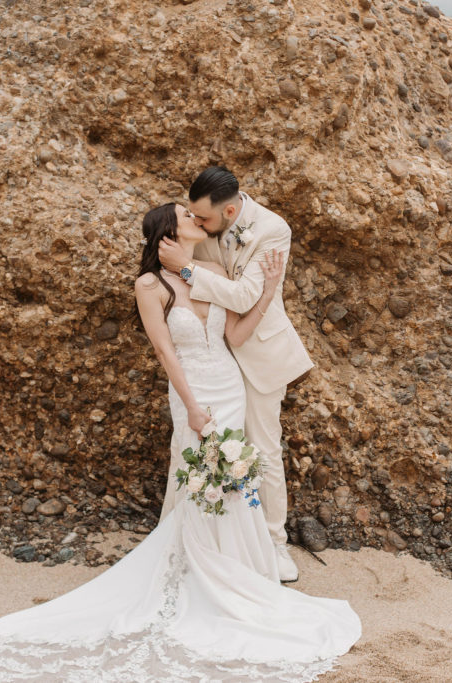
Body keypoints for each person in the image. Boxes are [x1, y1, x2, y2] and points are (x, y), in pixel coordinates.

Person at [0, 203, 360, 682]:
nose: (195, 216)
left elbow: (234, 334)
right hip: (192, 392)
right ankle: (195, 573)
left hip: (229, 387)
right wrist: (189, 404)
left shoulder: (208, 270)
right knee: (196, 477)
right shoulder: (149, 286)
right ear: (168, 231)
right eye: (185, 214)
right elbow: (166, 351)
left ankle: (243, 572)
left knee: (233, 476)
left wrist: (269, 289)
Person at [158, 166, 312, 583]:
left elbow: (246, 296)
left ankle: (273, 542)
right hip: (214, 356)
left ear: (229, 211)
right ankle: (209, 541)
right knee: (206, 448)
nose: (197, 224)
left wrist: (188, 270)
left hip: (259, 350)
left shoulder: (272, 229)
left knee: (262, 447)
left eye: (204, 219)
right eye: (192, 216)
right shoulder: (199, 225)